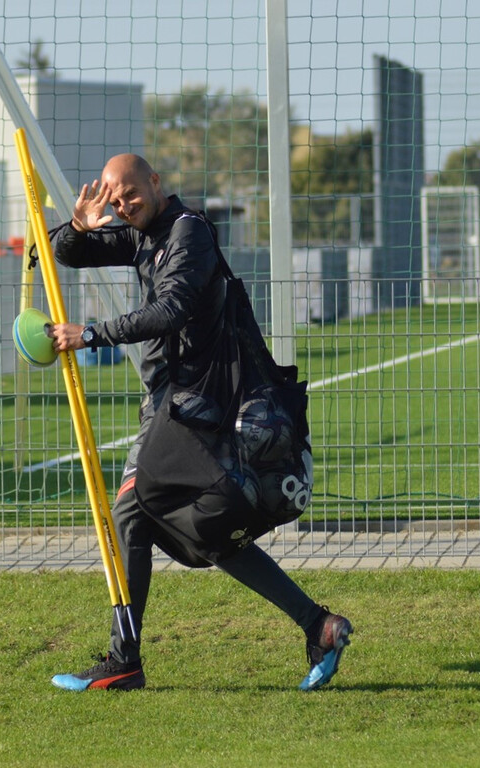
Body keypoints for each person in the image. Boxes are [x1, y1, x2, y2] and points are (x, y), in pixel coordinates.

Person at [47, 153, 352, 692]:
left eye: (130, 195)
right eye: (115, 202)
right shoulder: (140, 231)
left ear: (156, 182)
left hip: (198, 401)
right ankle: (318, 626)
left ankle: (125, 660)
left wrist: (91, 334)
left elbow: (171, 309)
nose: (122, 206)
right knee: (202, 536)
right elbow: (65, 253)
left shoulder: (190, 234)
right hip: (174, 402)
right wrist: (76, 227)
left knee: (129, 511)